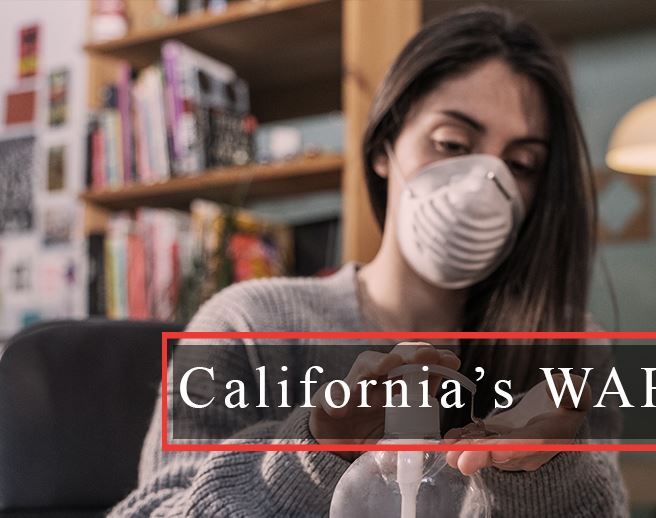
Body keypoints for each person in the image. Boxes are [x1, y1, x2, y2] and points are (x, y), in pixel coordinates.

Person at [112, 6, 627, 517]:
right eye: (451, 143)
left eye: (520, 164)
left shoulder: (568, 351)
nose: (482, 185)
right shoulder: (248, 327)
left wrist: (549, 474)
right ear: (385, 146)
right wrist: (312, 456)